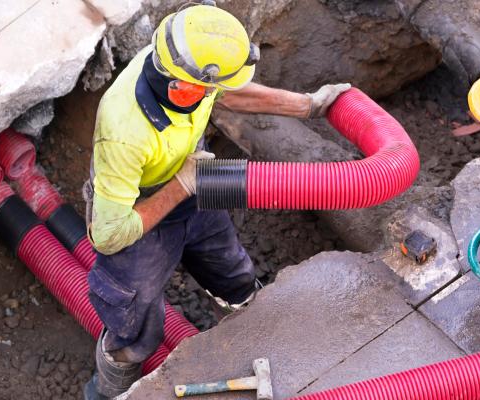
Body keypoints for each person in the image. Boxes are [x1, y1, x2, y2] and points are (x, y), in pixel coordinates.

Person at [83, 2, 350, 398]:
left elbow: (228, 94)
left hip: (193, 178)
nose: (216, 92)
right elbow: (108, 236)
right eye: (210, 87)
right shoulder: (124, 130)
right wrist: (181, 185)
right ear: (184, 86)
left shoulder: (180, 67)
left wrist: (307, 105)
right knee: (135, 324)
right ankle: (108, 393)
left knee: (234, 273)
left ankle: (248, 337)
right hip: (135, 213)